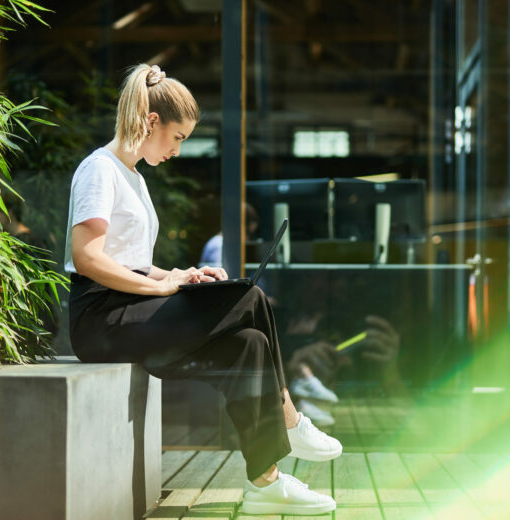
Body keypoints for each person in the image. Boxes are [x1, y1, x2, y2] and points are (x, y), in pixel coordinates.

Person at [64, 64, 340, 516]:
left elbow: (127, 260)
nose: (178, 149)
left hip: (131, 311)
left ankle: (265, 483)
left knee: (248, 344)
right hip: (100, 321)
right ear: (152, 122)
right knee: (249, 297)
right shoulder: (100, 170)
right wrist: (160, 290)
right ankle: (289, 417)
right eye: (178, 137)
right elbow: (88, 259)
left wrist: (176, 273)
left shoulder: (133, 177)